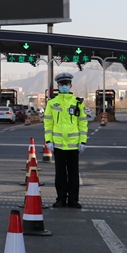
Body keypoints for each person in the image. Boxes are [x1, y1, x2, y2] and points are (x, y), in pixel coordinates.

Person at [44, 72, 88, 209]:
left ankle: (73, 200)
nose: (64, 86)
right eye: (62, 84)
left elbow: (83, 123)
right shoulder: (52, 103)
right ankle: (61, 199)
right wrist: (48, 141)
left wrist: (83, 141)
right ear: (58, 85)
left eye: (66, 84)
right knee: (60, 174)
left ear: (70, 85)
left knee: (74, 174)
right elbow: (48, 123)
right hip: (58, 145)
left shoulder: (77, 103)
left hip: (74, 145)